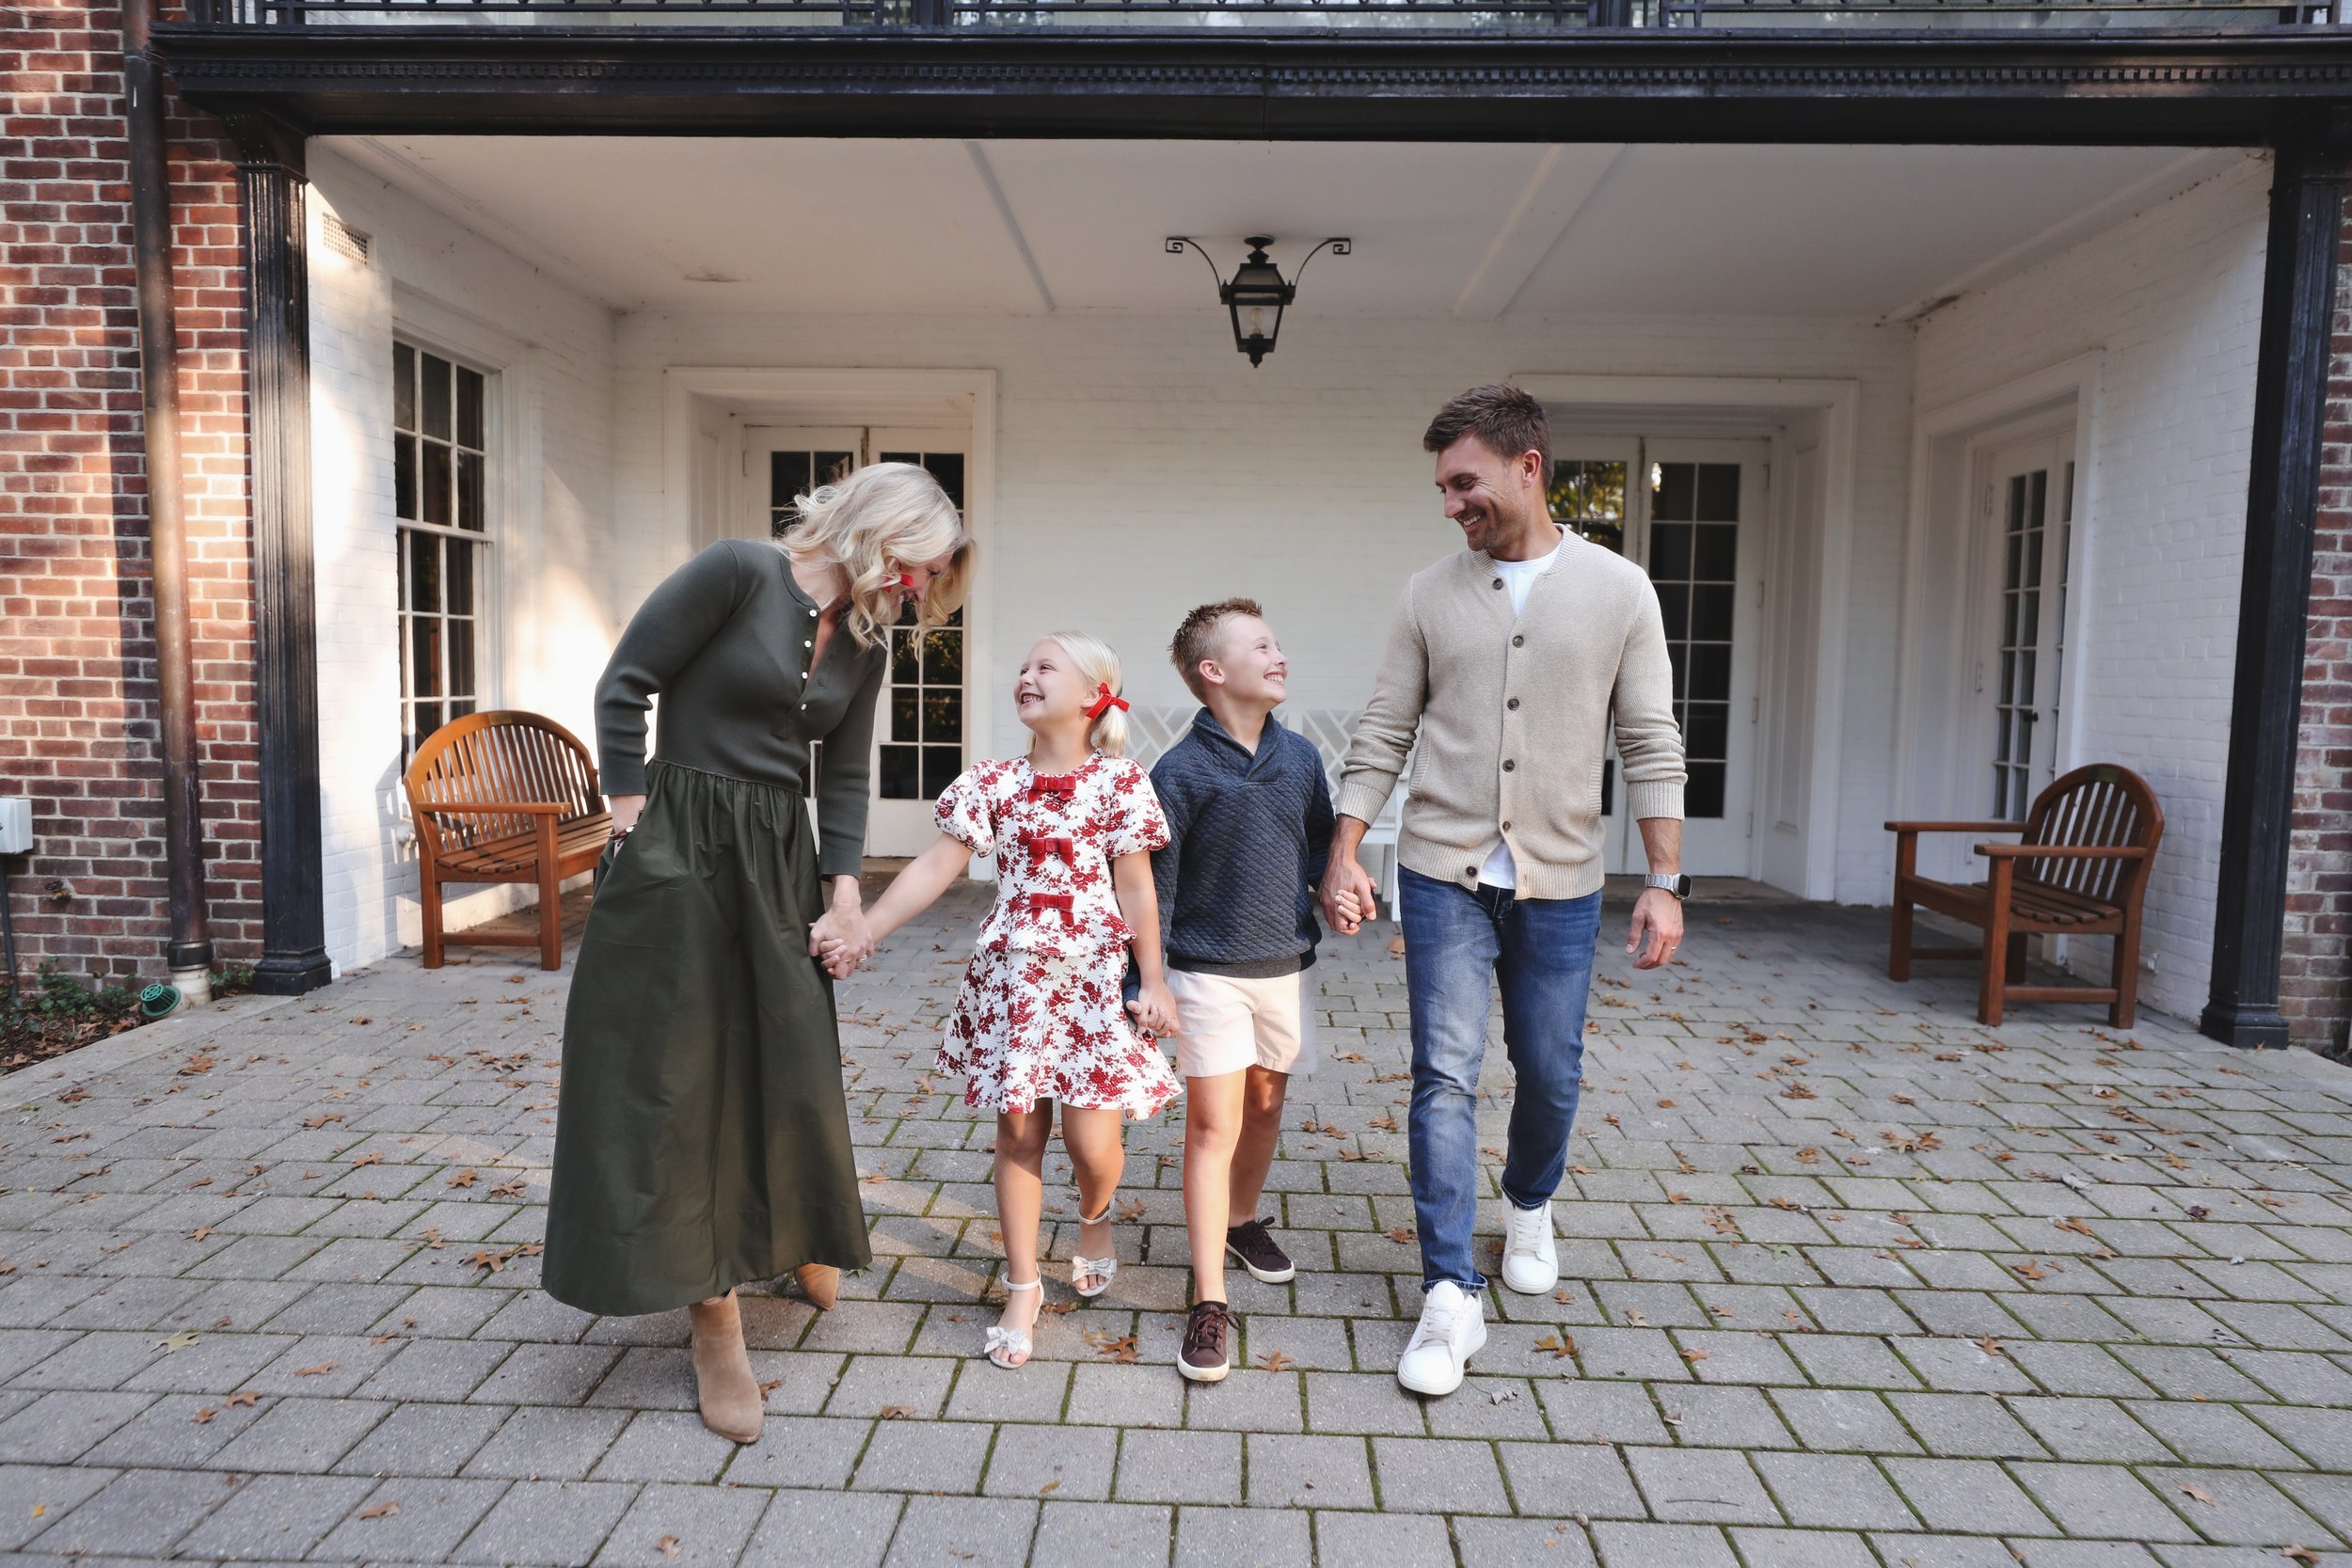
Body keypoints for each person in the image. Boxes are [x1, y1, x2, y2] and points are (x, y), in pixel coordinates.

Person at [544, 462, 971, 1446]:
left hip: (777, 854)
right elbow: (625, 684)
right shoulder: (738, 570)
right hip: (678, 838)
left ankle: (797, 1229)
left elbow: (847, 770)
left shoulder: (867, 637)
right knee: (676, 1075)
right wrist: (632, 820)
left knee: (789, 1058)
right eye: (916, 563)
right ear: (880, 530)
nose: (918, 585)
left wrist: (844, 894)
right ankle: (714, 1315)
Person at [1321, 384, 1689, 1399]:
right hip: (1442, 872)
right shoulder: (1428, 594)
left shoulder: (1620, 591)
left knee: (1550, 1071)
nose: (1451, 505)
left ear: (1529, 467)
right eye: (1442, 488)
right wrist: (1344, 849)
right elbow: (1384, 728)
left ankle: (1529, 1200)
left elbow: (1651, 741)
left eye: (1464, 483)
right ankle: (1449, 1289)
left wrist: (1664, 880)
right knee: (1443, 1074)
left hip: (1562, 882)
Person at [822, 632, 1181, 1371]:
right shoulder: (992, 782)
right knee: (1018, 1134)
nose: (1026, 675)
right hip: (1015, 984)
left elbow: (1137, 886)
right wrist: (866, 929)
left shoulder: (1120, 782)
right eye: (1022, 667)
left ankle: (1094, 1215)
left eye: (1045, 666)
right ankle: (1022, 1286)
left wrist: (1153, 979)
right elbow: (935, 866)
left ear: (1093, 695)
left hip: (1090, 984)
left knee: (1092, 1145)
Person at [1149, 599, 1333, 1385]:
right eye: (1262, 645)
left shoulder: (1302, 758)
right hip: (1204, 971)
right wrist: (1145, 979)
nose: (1279, 654)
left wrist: (1338, 887)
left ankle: (1240, 1218)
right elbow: (1153, 889)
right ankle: (1208, 1298)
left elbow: (1319, 844)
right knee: (1212, 1123)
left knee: (1264, 1103)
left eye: (1277, 642)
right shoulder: (1179, 772)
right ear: (1214, 671)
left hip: (1285, 966)